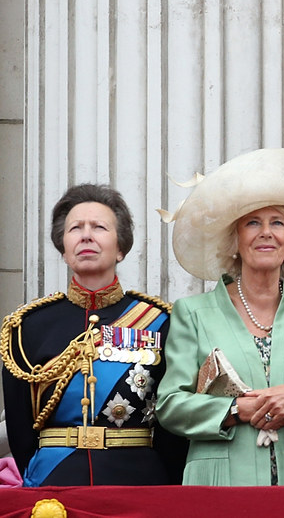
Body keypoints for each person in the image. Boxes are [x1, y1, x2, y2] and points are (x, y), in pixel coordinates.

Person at [156, 148, 284, 485]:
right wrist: (237, 411)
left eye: (276, 222)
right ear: (235, 239)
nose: (266, 232)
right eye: (253, 222)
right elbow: (170, 406)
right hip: (220, 484)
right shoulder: (192, 313)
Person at [1, 185, 186, 486]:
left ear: (121, 247)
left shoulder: (161, 322)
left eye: (99, 227)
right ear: (63, 248)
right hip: (55, 479)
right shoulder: (28, 326)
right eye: (76, 228)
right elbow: (21, 430)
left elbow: (171, 424)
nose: (86, 235)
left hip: (138, 480)